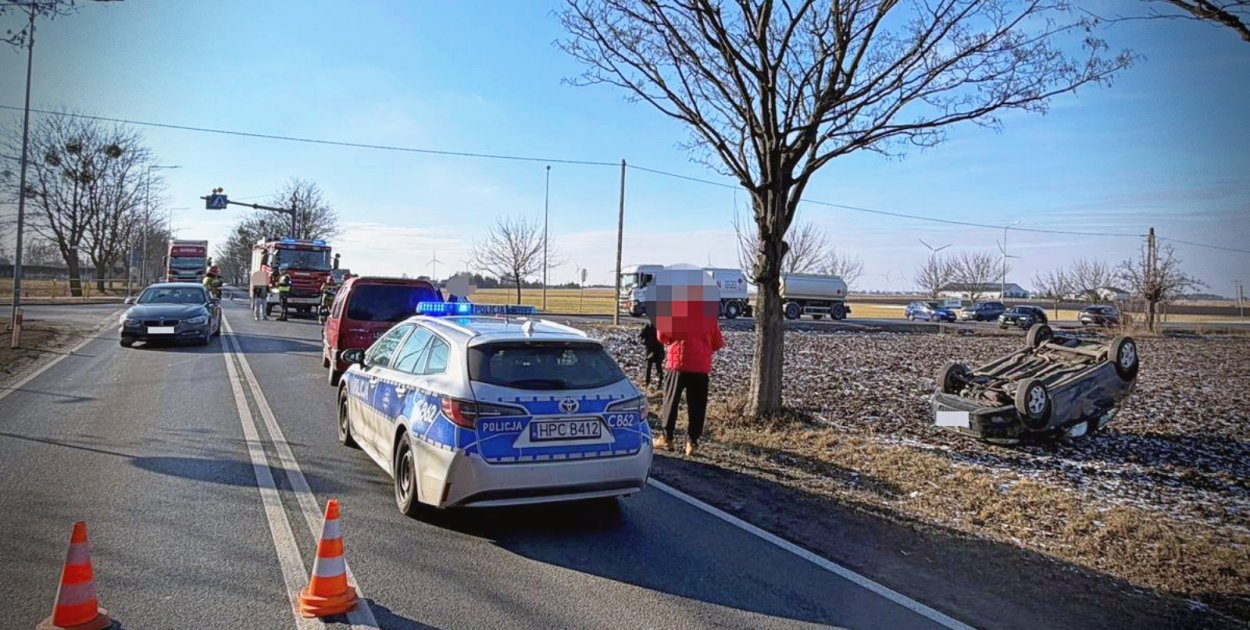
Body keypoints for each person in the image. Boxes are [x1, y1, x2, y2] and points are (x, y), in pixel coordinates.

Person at [655, 287, 724, 457]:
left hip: (677, 364)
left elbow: (662, 336)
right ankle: (692, 443)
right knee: (697, 406)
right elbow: (717, 343)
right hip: (700, 367)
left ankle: (667, 438)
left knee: (671, 402)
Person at [638, 322, 665, 387]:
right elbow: (640, 337)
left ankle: (660, 383)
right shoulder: (647, 326)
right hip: (650, 350)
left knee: (659, 367)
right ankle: (647, 383)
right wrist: (646, 342)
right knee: (648, 367)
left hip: (658, 349)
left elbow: (664, 337)